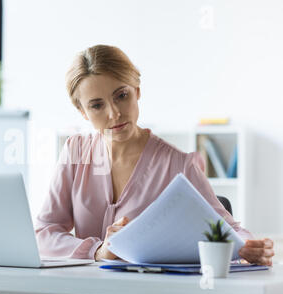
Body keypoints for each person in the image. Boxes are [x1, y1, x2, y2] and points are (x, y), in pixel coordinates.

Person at [34, 44, 274, 266]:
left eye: (122, 96)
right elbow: (44, 232)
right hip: (83, 292)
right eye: (97, 105)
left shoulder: (179, 164)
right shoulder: (75, 152)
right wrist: (97, 251)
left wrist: (250, 247)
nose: (114, 114)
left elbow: (228, 229)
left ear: (137, 91)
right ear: (83, 112)